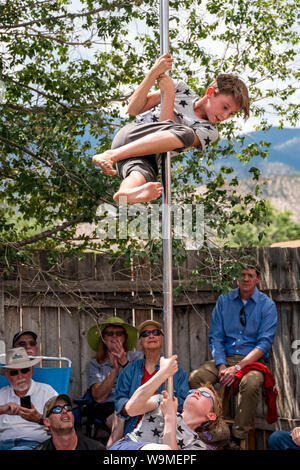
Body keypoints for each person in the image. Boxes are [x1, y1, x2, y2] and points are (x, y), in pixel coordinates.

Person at [92, 53, 250, 204]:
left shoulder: (210, 131)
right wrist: (153, 73)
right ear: (210, 93)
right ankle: (110, 155)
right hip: (135, 133)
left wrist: (168, 94)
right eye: (224, 107)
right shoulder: (181, 89)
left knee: (142, 174)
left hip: (148, 157)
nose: (225, 116)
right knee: (185, 133)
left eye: (231, 113)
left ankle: (125, 193)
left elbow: (165, 130)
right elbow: (133, 109)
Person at [189, 265, 278, 445]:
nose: (245, 279)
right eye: (242, 274)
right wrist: (222, 365)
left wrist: (237, 368)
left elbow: (264, 344)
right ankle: (214, 428)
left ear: (257, 278)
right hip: (225, 358)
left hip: (252, 361)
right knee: (196, 378)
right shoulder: (224, 300)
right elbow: (216, 336)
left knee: (251, 383)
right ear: (236, 278)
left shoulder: (267, 305)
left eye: (250, 275)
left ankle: (237, 438)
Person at [109, 355, 229, 450]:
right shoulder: (162, 402)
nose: (196, 392)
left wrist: (170, 417)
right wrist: (162, 374)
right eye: (194, 390)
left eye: (205, 394)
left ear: (211, 415)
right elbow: (131, 408)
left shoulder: (197, 445)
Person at [113, 320, 190, 441]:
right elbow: (120, 402)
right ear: (140, 343)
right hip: (134, 433)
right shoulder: (129, 370)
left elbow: (185, 403)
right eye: (145, 333)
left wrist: (156, 402)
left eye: (156, 332)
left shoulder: (176, 371)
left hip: (165, 433)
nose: (151, 335)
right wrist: (136, 404)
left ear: (163, 340)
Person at [82, 317, 142, 444]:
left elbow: (141, 385)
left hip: (134, 401)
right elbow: (98, 397)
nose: (114, 337)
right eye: (109, 333)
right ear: (103, 338)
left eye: (119, 333)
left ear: (125, 338)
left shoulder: (137, 358)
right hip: (108, 405)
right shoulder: (96, 363)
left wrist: (124, 363)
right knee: (122, 420)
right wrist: (114, 369)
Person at [0, 347, 57, 450]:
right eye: (14, 373)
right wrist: (2, 409)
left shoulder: (47, 392)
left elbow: (62, 424)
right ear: (7, 376)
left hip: (34, 444)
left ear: (31, 371)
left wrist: (39, 418)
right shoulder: (1, 394)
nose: (20, 376)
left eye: (24, 370)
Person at [34, 394, 105, 450]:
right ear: (47, 422)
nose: (64, 411)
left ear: (73, 416)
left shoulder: (95, 448)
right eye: (57, 409)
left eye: (67, 407)